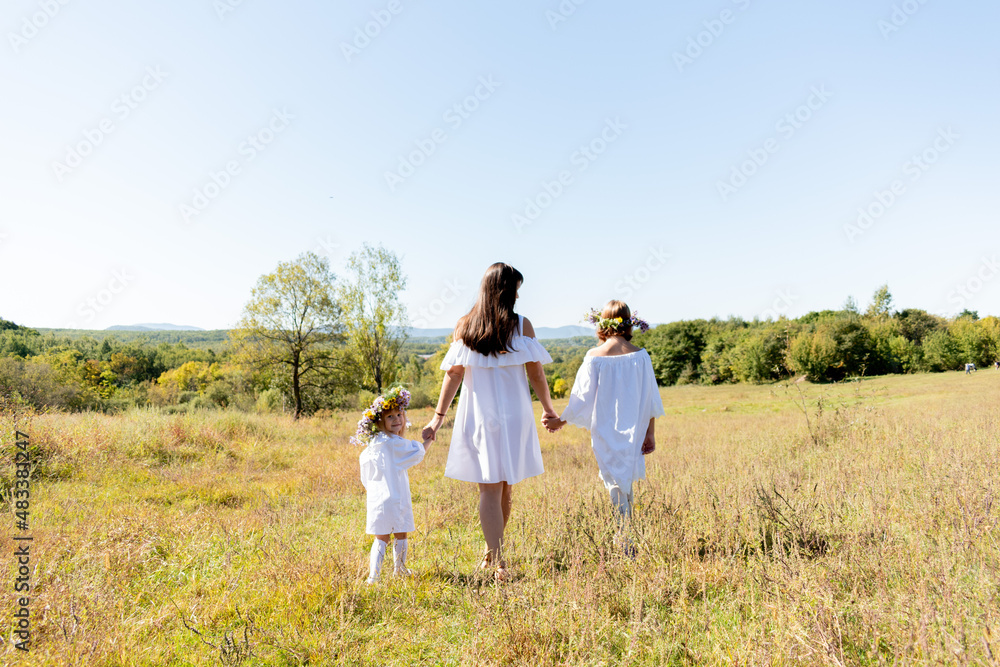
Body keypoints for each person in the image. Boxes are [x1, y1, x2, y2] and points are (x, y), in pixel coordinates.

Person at [422, 263, 558, 581]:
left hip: (480, 416)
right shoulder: (522, 325)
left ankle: (495, 560)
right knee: (503, 488)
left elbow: (453, 374)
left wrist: (438, 417)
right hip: (515, 416)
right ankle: (494, 558)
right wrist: (549, 409)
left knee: (491, 490)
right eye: (516, 289)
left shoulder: (464, 326)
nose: (519, 295)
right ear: (507, 291)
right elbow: (535, 373)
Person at [544, 300, 664, 534]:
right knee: (625, 481)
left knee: (614, 483)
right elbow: (650, 398)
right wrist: (650, 432)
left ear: (602, 322)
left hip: (606, 429)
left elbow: (581, 398)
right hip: (634, 428)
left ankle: (624, 538)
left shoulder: (594, 356)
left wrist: (560, 421)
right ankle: (627, 535)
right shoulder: (641, 356)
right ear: (629, 322)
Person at [353, 387, 431, 584]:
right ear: (380, 421)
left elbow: (365, 475)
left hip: (377, 498)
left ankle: (376, 575)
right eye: (390, 417)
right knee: (398, 533)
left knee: (382, 537)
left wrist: (372, 490)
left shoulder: (374, 444)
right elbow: (417, 452)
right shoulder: (393, 443)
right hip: (395, 496)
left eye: (399, 414)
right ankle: (395, 570)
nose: (397, 419)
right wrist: (428, 441)